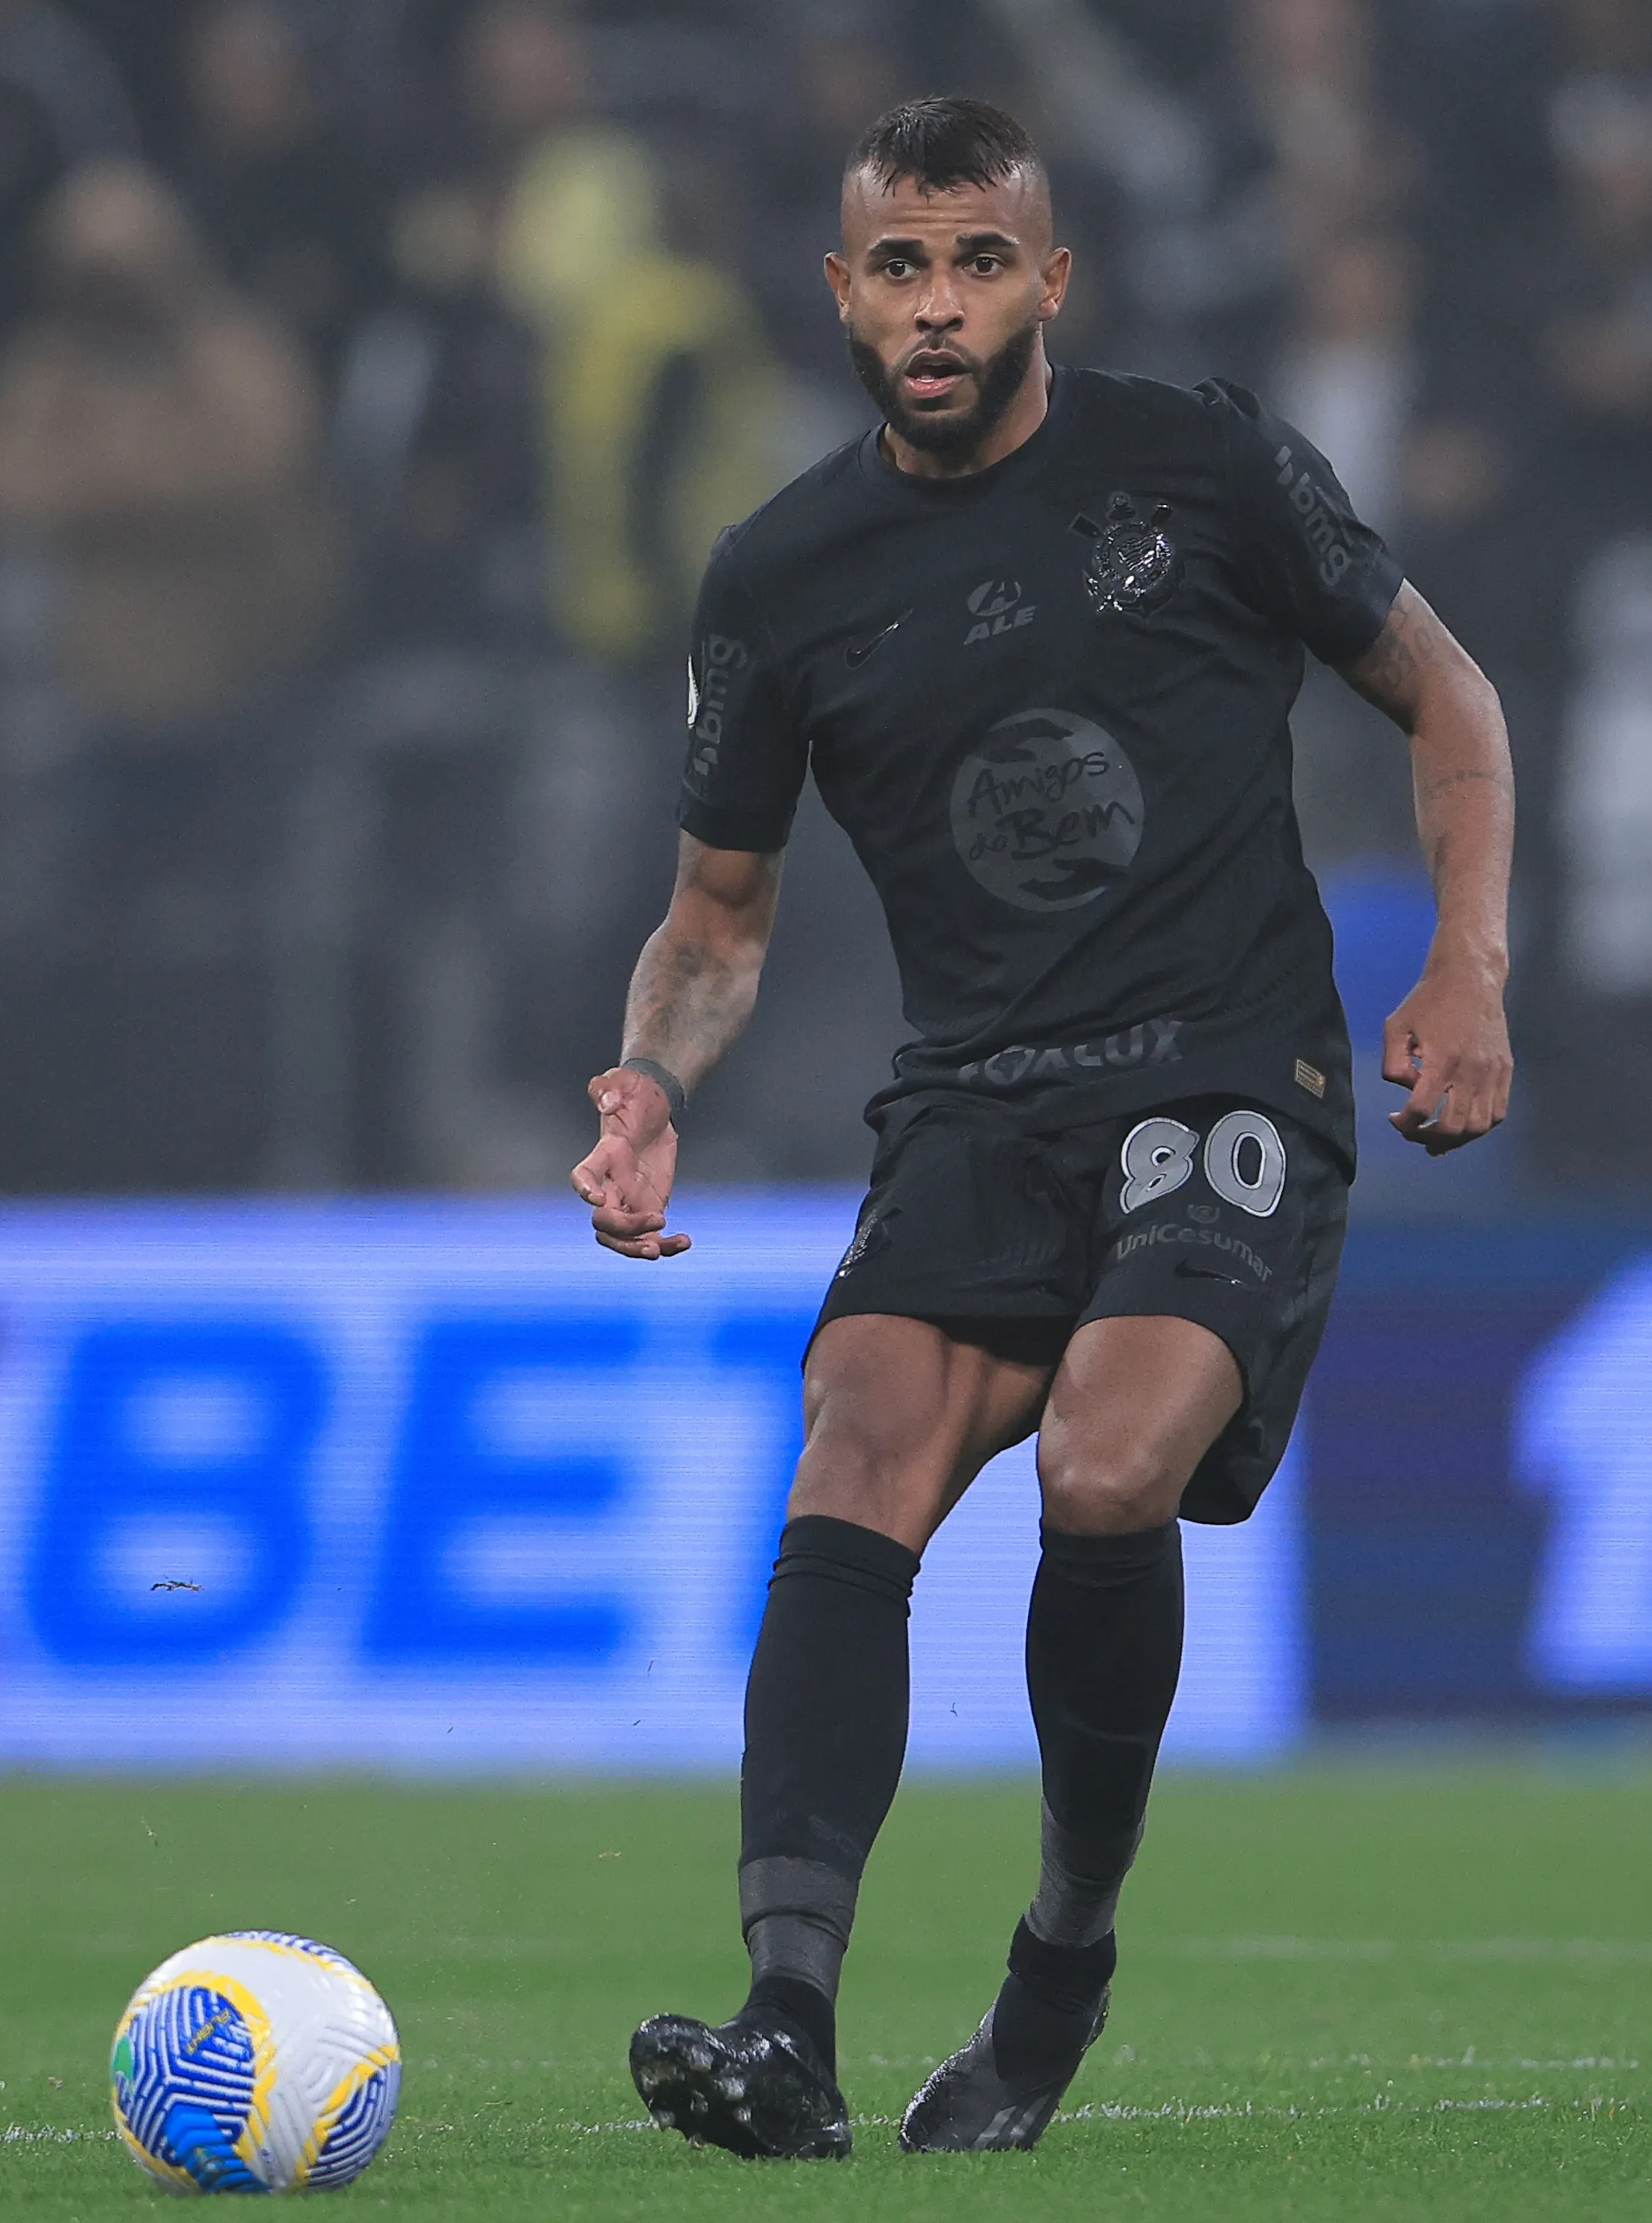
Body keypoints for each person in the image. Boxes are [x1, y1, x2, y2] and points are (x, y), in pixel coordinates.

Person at [570, 98, 1515, 2159]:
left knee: (1102, 1466)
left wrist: (1464, 963)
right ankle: (785, 2025)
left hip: (1220, 1071)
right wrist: (650, 1078)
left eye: (975, 260)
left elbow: (1447, 699)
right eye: (896, 267)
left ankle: (1051, 1973)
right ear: (838, 293)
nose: (934, 304)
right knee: (855, 1447)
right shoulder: (783, 576)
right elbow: (713, 923)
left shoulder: (1198, 463)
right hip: (978, 1106)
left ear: (1047, 280)